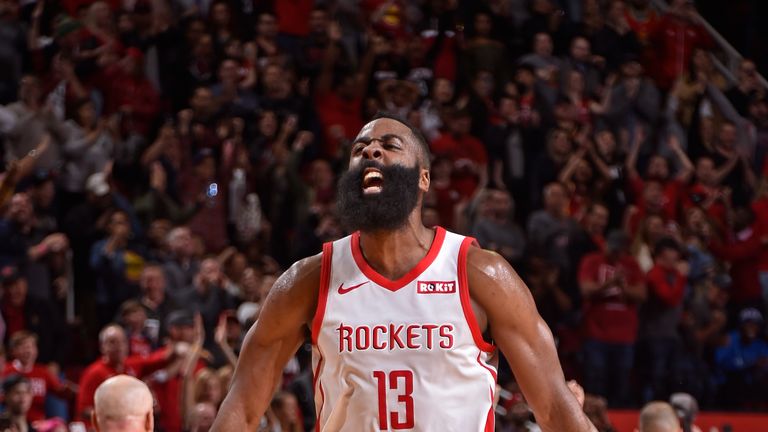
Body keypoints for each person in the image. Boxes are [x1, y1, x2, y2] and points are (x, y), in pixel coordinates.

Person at [211, 115, 595, 430]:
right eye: (359, 149)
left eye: (390, 146)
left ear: (423, 178)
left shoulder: (480, 272)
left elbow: (554, 409)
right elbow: (242, 408)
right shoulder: (308, 281)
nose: (371, 150)